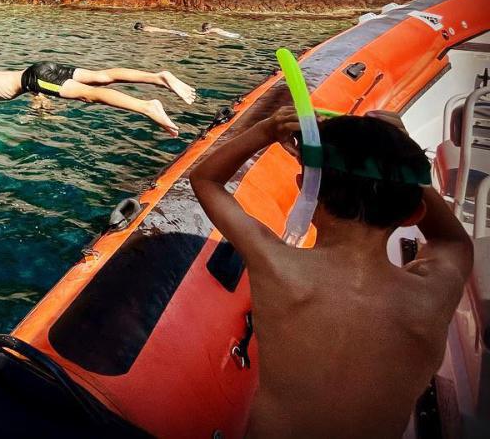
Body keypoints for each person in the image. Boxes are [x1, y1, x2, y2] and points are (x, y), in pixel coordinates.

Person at [189, 109, 472, 438]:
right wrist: (402, 156)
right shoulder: (430, 297)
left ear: (306, 189)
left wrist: (266, 130)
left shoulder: (277, 265)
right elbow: (452, 240)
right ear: (415, 212)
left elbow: (205, 180)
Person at [0, 63, 196, 136]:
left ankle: (147, 107)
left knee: (90, 95)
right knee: (102, 77)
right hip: (40, 68)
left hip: (34, 79)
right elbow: (22, 84)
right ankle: (160, 77)